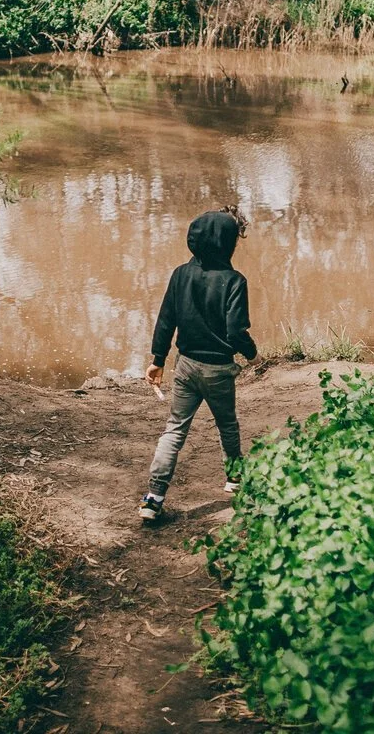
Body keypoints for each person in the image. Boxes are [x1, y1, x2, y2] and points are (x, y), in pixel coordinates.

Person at [140, 207, 258, 523]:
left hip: (186, 367)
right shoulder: (235, 281)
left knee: (175, 429)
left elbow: (166, 321)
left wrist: (157, 360)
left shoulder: (180, 274)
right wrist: (252, 355)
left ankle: (154, 497)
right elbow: (236, 331)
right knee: (227, 425)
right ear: (229, 244)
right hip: (218, 370)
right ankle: (234, 479)